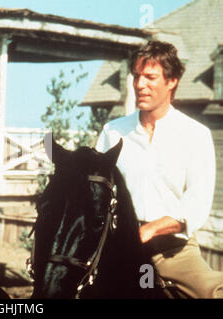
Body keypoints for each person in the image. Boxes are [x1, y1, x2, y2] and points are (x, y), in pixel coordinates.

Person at [95, 40, 223, 298]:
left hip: (173, 251)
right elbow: (95, 190)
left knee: (212, 293)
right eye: (137, 76)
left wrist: (149, 229)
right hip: (116, 246)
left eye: (150, 77)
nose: (140, 85)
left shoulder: (195, 135)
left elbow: (196, 205)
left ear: (172, 81)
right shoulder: (113, 131)